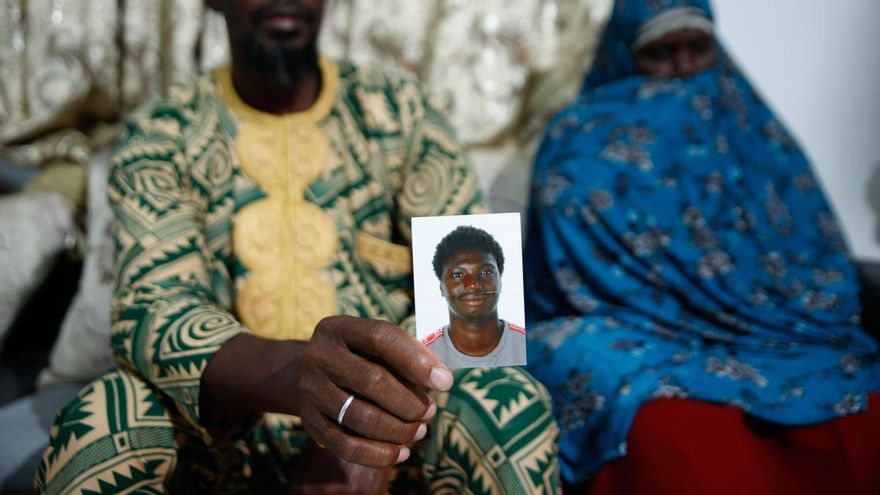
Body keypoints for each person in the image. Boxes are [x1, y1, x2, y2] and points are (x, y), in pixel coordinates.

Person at [34, 0, 560, 493]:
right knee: (104, 418)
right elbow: (154, 310)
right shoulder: (163, 130)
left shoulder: (400, 110)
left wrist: (368, 424)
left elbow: (481, 295)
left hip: (404, 431)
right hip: (223, 430)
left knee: (510, 402)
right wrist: (303, 381)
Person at [524, 0, 880, 488]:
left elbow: (810, 246)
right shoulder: (579, 136)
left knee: (853, 400)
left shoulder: (749, 129)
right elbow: (558, 252)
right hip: (632, 323)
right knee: (665, 425)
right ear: (624, 56)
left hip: (768, 325)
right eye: (660, 53)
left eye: (698, 48)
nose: (684, 68)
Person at [423, 225, 527, 368]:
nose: (473, 285)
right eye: (457, 274)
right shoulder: (425, 353)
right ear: (441, 288)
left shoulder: (527, 343)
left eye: (486, 273)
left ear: (500, 282)